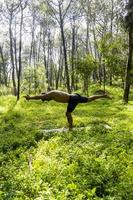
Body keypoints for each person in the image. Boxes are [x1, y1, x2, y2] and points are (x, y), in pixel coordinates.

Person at [24, 90, 111, 129]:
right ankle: (103, 96)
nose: (46, 100)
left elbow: (40, 97)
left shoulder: (49, 94)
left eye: (45, 99)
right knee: (89, 99)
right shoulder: (52, 93)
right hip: (74, 96)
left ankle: (71, 127)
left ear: (46, 96)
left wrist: (30, 98)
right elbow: (42, 97)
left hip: (72, 99)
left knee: (67, 114)